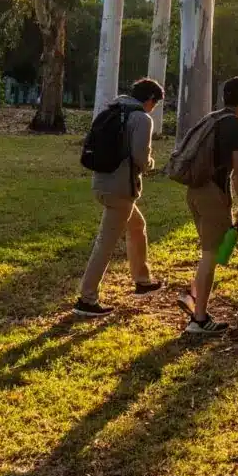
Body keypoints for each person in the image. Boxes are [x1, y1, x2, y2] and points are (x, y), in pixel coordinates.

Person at [75, 78, 165, 317]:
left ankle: (142, 280)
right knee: (105, 243)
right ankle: (87, 298)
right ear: (149, 100)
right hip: (120, 189)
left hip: (101, 183)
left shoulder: (112, 110)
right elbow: (140, 157)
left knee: (137, 226)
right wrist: (151, 163)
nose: (153, 109)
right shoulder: (142, 119)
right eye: (155, 104)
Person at [177, 76, 238, 336]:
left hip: (194, 191)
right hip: (213, 194)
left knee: (208, 250)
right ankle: (199, 319)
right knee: (211, 255)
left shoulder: (211, 119)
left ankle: (193, 295)